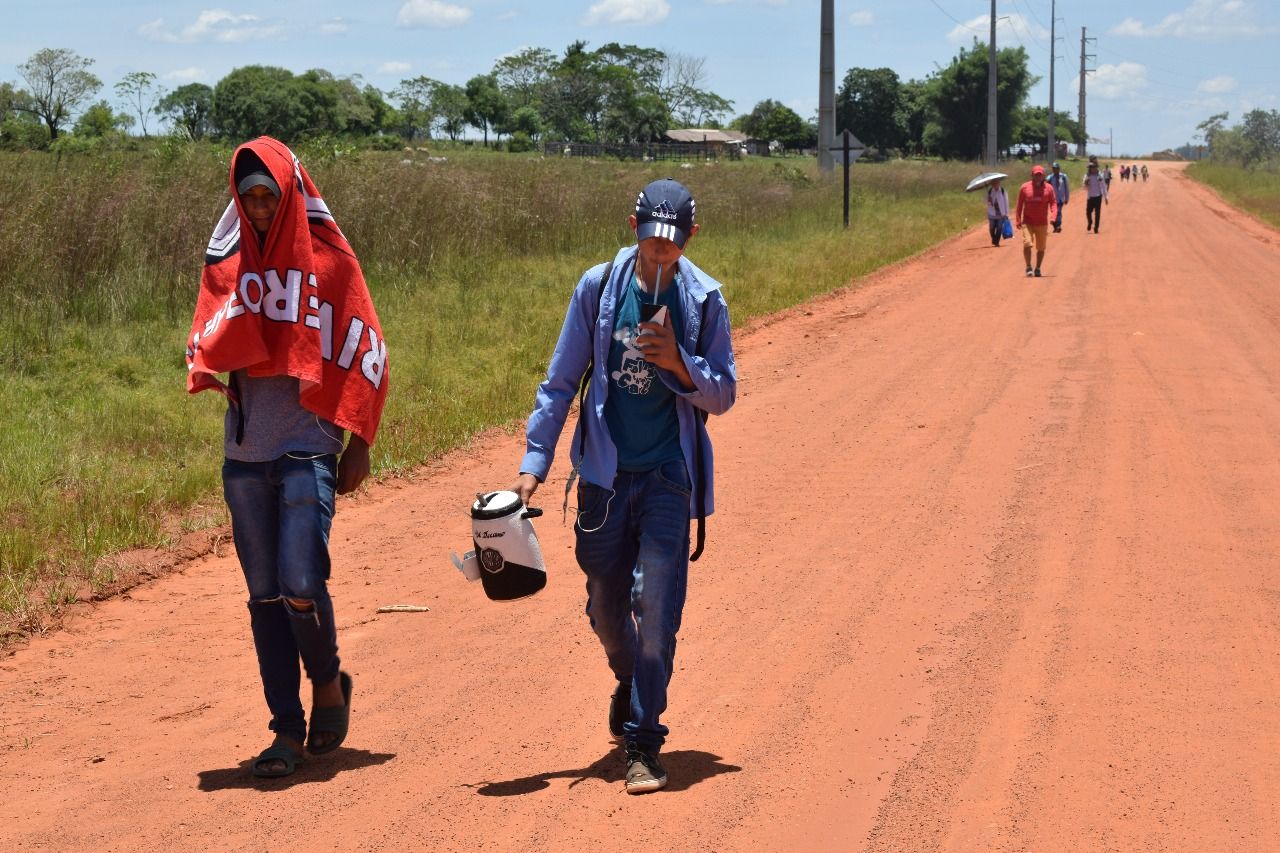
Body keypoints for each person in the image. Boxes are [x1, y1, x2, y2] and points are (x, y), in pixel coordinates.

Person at [511, 178, 737, 794]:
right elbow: (560, 382)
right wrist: (535, 461)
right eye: (650, 238)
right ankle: (630, 676)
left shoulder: (704, 299)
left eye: (672, 242)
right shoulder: (598, 289)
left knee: (657, 608)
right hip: (604, 480)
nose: (660, 252)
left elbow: (724, 393)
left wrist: (678, 364)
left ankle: (643, 741)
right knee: (608, 607)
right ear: (632, 226)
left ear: (692, 237)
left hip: (669, 476)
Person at [185, 136, 390, 778]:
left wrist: (359, 443)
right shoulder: (229, 267)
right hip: (246, 453)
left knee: (302, 583)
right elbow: (210, 338)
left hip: (309, 444)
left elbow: (367, 350)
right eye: (246, 197)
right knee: (265, 595)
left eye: (268, 195)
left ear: (290, 192)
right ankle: (285, 732)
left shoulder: (329, 265)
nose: (258, 207)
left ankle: (327, 682)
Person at [1014, 164, 1058, 278]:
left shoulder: (1049, 188)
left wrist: (1053, 217)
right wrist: (1018, 219)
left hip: (1042, 223)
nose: (1038, 177)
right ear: (1032, 176)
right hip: (1028, 222)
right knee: (1027, 244)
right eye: (1036, 175)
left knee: (1041, 248)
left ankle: (1038, 268)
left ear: (1043, 176)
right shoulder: (1024, 188)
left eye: (1040, 175)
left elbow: (1053, 203)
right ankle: (1028, 266)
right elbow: (1019, 205)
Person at [1082, 159, 1109, 234]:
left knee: (1097, 213)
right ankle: (1090, 222)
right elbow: (1084, 188)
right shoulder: (1087, 176)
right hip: (1090, 197)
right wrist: (1086, 183)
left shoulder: (1100, 176)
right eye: (1091, 167)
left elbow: (1103, 186)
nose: (1092, 169)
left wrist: (1106, 197)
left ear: (1096, 167)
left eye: (1094, 167)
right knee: (1088, 212)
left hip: (1098, 197)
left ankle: (1096, 228)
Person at [1046, 162, 1070, 232]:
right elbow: (1046, 187)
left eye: (1056, 169)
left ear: (1059, 169)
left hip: (1060, 198)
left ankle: (1058, 225)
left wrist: (1067, 198)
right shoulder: (1050, 177)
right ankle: (1055, 225)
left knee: (1058, 211)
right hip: (1052, 198)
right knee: (1054, 212)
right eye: (1053, 169)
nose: (1055, 170)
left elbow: (1066, 188)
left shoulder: (1063, 177)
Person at [986, 177, 1010, 246]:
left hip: (1001, 213)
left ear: (999, 183)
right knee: (992, 228)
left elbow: (1006, 202)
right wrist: (989, 200)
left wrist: (1006, 213)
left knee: (999, 227)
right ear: (991, 184)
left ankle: (996, 242)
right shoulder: (990, 191)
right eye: (994, 183)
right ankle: (994, 238)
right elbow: (986, 202)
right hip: (992, 213)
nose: (995, 184)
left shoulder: (1003, 191)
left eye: (997, 183)